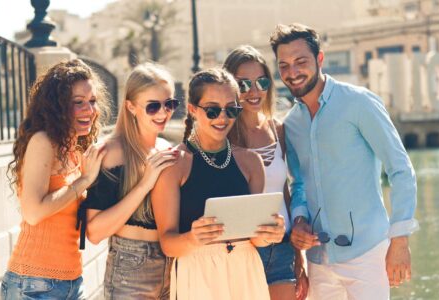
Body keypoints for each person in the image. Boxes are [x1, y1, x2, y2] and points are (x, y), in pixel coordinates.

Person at [269, 23, 419, 299]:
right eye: (284, 66)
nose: (292, 73)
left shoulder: (359, 103)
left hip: (368, 254)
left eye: (300, 62)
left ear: (320, 59)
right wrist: (300, 219)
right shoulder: (291, 124)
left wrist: (400, 239)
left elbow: (400, 169)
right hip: (319, 261)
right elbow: (299, 183)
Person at [150, 68, 286, 300]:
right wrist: (193, 238)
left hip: (246, 270)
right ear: (192, 110)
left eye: (231, 110)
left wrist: (270, 234)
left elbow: (255, 239)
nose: (222, 118)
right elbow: (168, 243)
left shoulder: (251, 162)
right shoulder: (174, 165)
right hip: (198, 272)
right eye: (212, 110)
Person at [1, 59, 110, 299]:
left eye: (92, 102)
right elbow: (33, 212)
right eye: (78, 103)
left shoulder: (76, 149)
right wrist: (83, 180)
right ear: (57, 106)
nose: (89, 110)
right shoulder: (43, 142)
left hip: (72, 281)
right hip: (33, 284)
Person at [80, 63, 180, 299]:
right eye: (153, 106)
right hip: (131, 269)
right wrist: (145, 184)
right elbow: (94, 232)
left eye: (170, 104)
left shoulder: (167, 149)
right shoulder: (110, 152)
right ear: (131, 106)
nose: (163, 113)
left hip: (173, 266)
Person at [223, 45, 308, 300]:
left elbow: (284, 193)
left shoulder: (277, 129)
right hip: (241, 251)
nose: (254, 91)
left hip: (282, 248)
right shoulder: (223, 135)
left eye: (261, 82)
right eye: (243, 84)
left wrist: (298, 256)